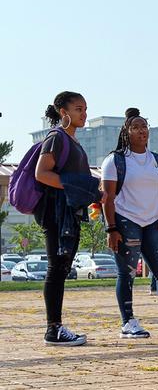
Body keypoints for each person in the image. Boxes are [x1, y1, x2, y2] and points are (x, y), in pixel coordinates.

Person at [101, 108, 158, 339]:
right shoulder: (115, 160)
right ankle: (128, 322)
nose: (142, 130)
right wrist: (111, 228)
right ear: (126, 132)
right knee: (127, 273)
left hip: (152, 222)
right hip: (126, 221)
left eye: (144, 126)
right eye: (136, 127)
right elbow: (107, 198)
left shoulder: (156, 160)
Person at [35, 91, 100, 346]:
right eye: (78, 109)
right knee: (56, 268)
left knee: (61, 268)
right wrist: (74, 186)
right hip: (55, 212)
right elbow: (42, 173)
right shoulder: (56, 138)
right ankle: (54, 329)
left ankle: (56, 327)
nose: (84, 114)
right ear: (64, 113)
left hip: (68, 212)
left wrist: (93, 192)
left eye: (85, 109)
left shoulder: (74, 143)